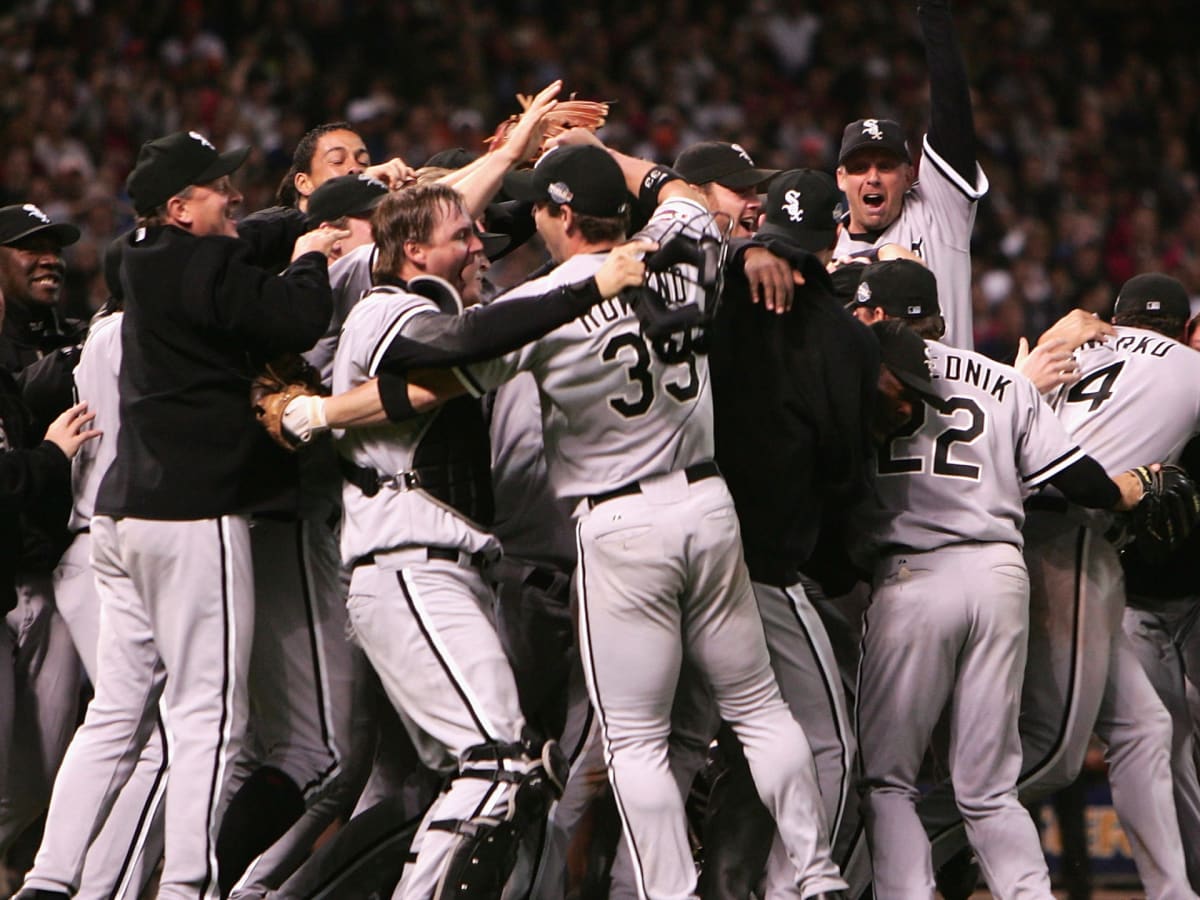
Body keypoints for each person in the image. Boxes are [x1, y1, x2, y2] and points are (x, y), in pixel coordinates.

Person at [16, 129, 344, 900]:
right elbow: (295, 318)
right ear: (177, 206)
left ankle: (48, 880)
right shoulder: (205, 261)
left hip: (121, 521)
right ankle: (187, 887)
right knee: (209, 717)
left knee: (118, 716)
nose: (231, 194)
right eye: (214, 186)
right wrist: (315, 255)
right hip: (194, 516)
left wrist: (291, 225)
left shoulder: (140, 259)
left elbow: (233, 240)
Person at [328, 180, 651, 899]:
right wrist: (587, 286)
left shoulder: (451, 308)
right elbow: (467, 338)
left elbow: (488, 330)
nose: (480, 246)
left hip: (446, 571)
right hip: (405, 563)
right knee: (497, 767)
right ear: (412, 250)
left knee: (498, 777)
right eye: (462, 236)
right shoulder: (385, 309)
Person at [849, 260, 1145, 898]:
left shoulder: (860, 375)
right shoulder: (1003, 378)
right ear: (939, 318)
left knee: (890, 781)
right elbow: (1078, 481)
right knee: (988, 787)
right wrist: (1131, 488)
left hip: (913, 576)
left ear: (877, 317)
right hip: (999, 573)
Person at [699, 169, 875, 897]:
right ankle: (802, 884)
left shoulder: (719, 292)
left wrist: (742, 256)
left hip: (675, 540)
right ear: (834, 233)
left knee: (663, 748)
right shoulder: (846, 339)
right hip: (764, 567)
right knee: (827, 741)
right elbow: (841, 467)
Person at [832, 0, 987, 352]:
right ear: (841, 178)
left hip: (948, 401)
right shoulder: (825, 247)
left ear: (909, 174)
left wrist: (934, 13)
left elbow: (953, 113)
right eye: (859, 168)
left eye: (885, 166)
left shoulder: (938, 211)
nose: (872, 178)